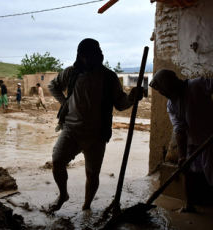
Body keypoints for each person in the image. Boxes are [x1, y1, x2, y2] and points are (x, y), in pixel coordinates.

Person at [149, 69, 213, 230]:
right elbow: (180, 130)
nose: (161, 93)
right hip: (193, 142)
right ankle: (189, 204)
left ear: (170, 84)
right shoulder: (171, 104)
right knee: (187, 172)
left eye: (162, 89)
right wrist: (182, 156)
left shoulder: (197, 85)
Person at [47, 38, 143, 212]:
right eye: (90, 55)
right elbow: (52, 85)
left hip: (97, 134)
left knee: (92, 174)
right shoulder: (71, 73)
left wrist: (131, 98)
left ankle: (86, 206)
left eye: (97, 53)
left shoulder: (108, 77)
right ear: (81, 56)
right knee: (57, 161)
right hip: (71, 131)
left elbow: (120, 104)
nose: (95, 57)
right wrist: (65, 103)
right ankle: (63, 195)